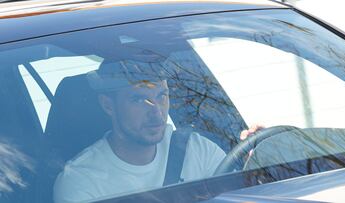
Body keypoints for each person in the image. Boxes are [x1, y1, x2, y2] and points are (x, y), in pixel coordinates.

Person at [53, 61, 261, 203]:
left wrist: (258, 164)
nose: (156, 112)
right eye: (138, 100)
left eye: (162, 96)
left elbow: (246, 197)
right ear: (108, 106)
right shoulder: (81, 181)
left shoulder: (196, 149)